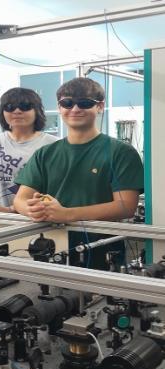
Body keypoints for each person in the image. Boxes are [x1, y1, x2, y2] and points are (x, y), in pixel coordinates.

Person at [13, 77, 144, 269]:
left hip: (102, 249)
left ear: (99, 107)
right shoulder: (45, 154)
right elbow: (19, 200)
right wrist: (33, 209)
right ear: (59, 107)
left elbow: (125, 206)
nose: (75, 109)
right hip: (52, 247)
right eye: (67, 103)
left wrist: (67, 214)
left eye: (84, 103)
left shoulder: (120, 152)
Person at [0, 87, 58, 213]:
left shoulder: (53, 145)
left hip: (34, 221)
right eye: (9, 107)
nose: (17, 111)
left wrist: (9, 210)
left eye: (25, 106)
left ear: (37, 111)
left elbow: (56, 192)